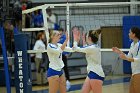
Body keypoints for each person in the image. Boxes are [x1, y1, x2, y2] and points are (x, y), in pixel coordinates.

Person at [73, 29, 105, 93]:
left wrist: (75, 40)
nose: (85, 37)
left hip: (96, 74)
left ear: (89, 38)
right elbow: (86, 48)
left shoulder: (91, 48)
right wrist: (84, 41)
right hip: (91, 73)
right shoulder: (93, 47)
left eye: (86, 36)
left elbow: (75, 48)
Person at [112, 27, 140, 93]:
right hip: (134, 72)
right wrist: (119, 52)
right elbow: (129, 57)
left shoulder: (139, 44)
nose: (128, 34)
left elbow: (139, 59)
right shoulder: (132, 44)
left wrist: (126, 58)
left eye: (130, 32)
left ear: (134, 34)